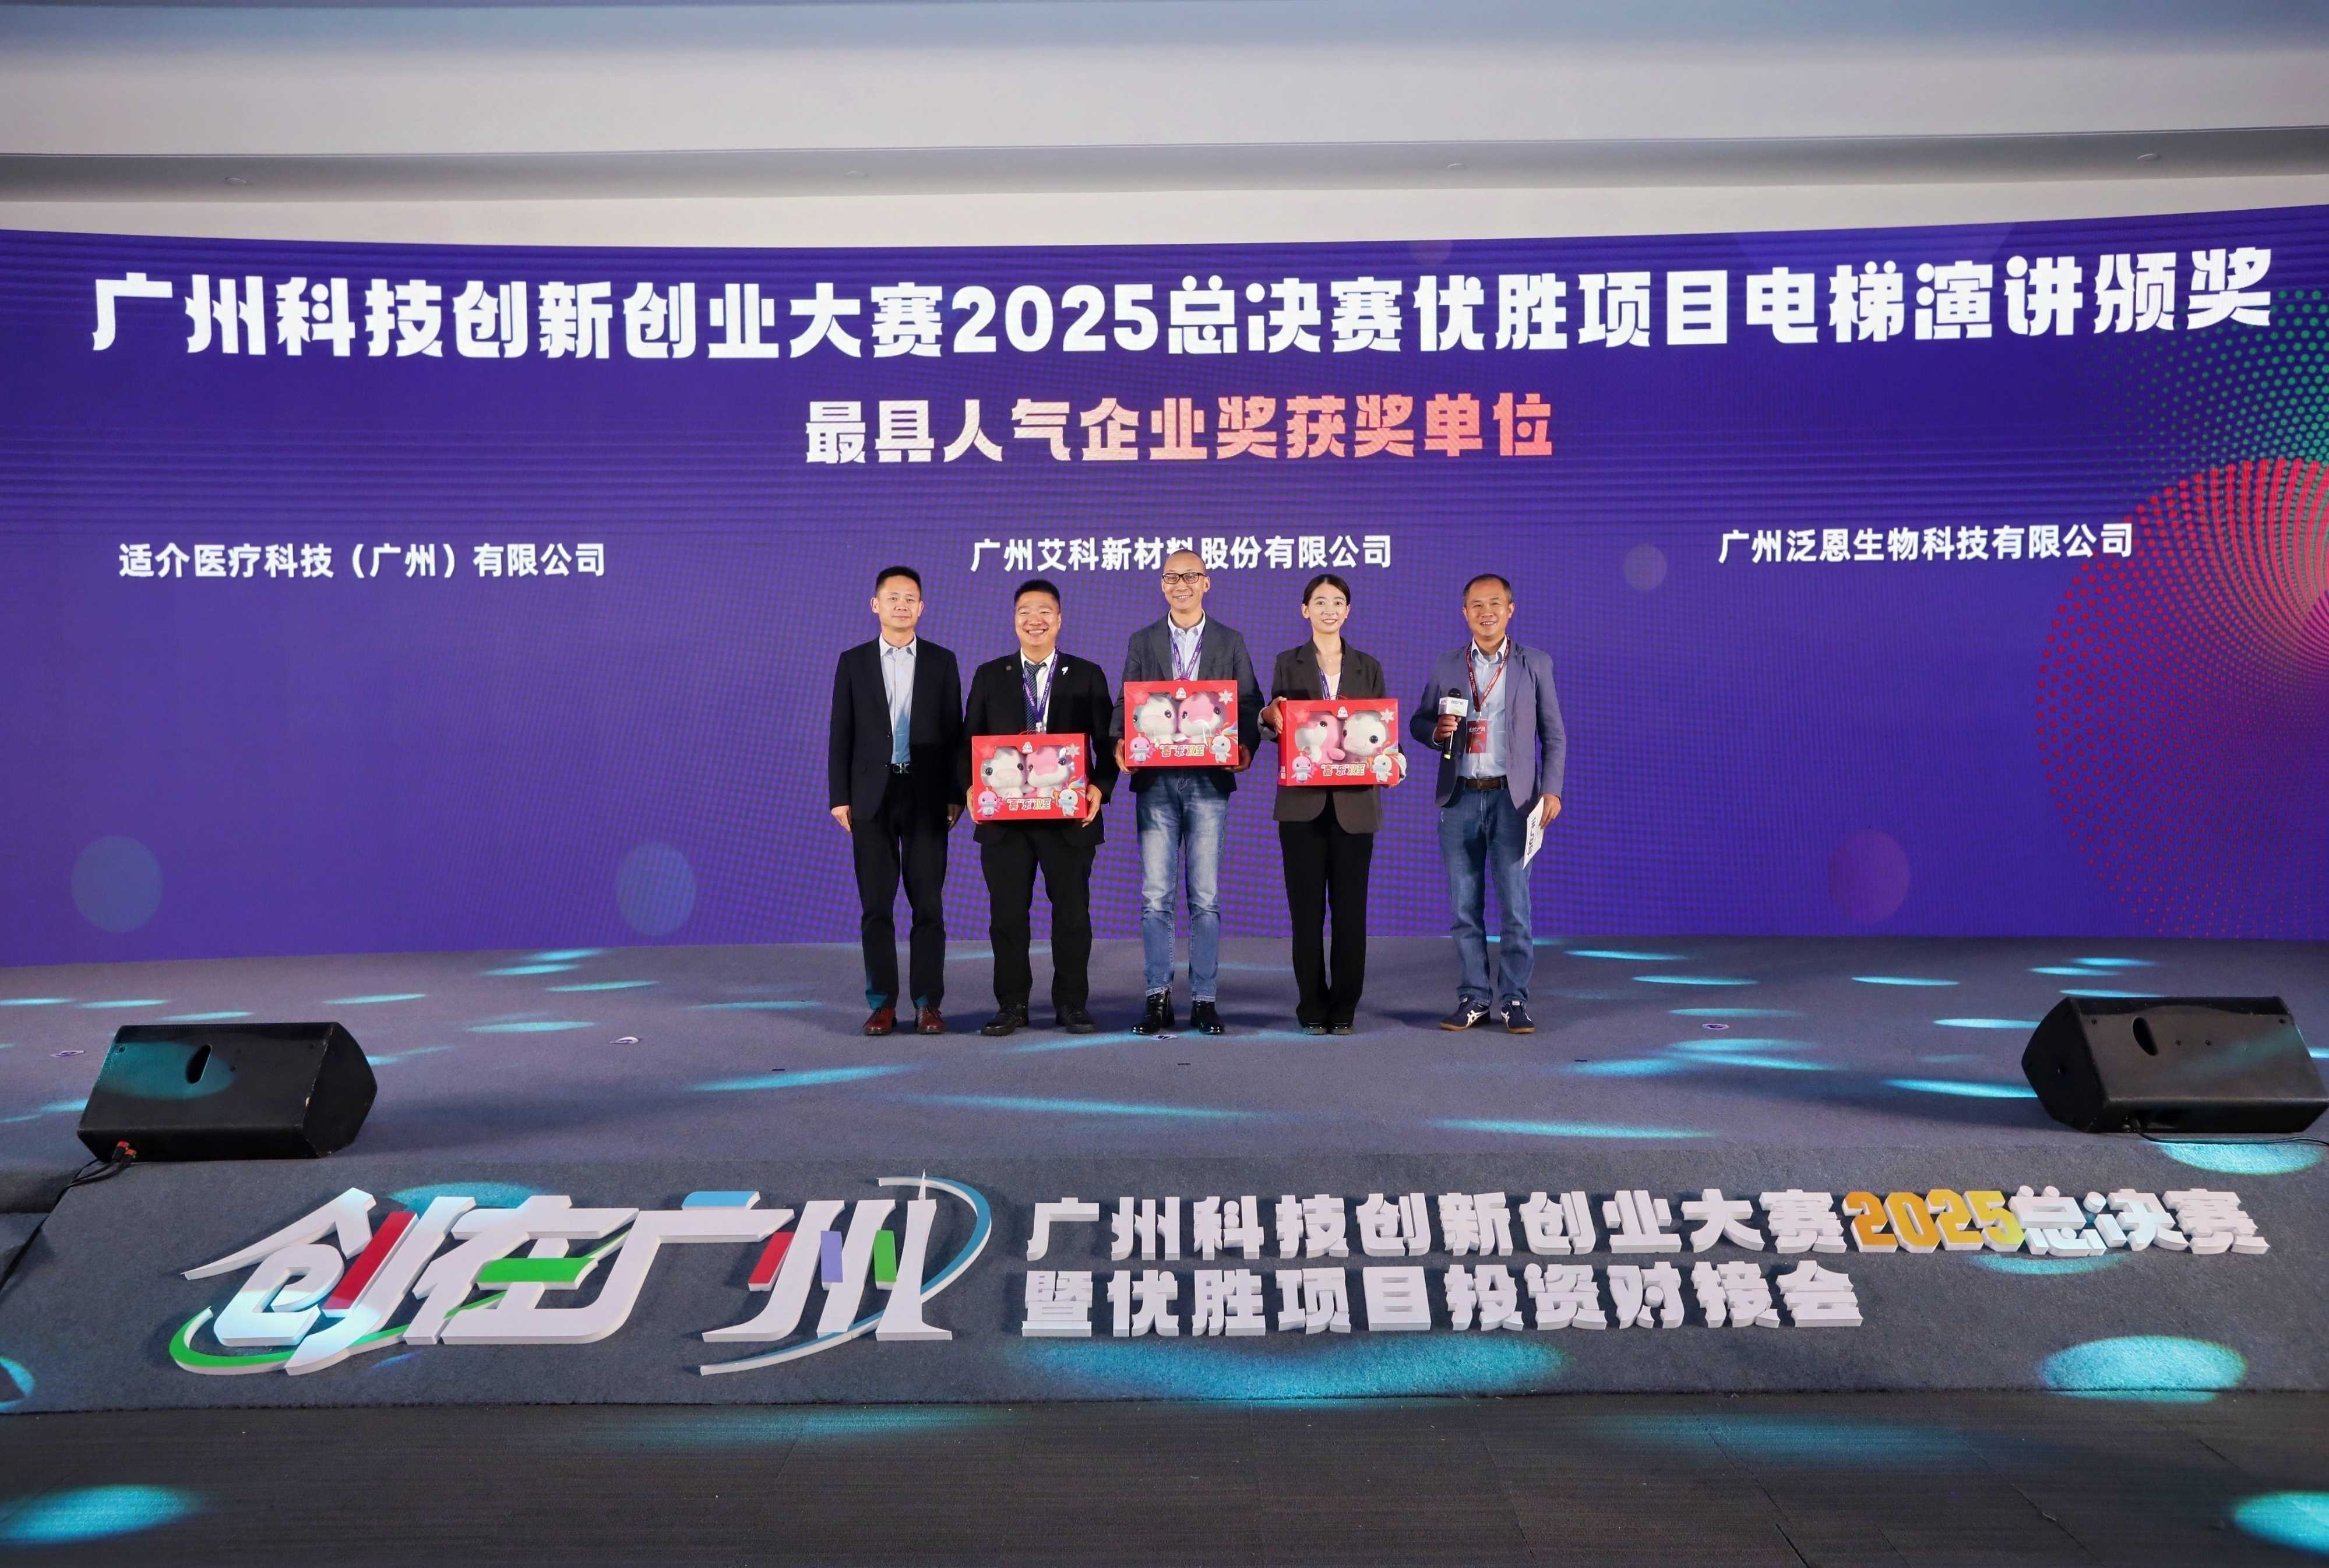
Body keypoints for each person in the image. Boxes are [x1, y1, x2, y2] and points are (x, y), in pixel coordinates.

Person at [1112, 548, 1263, 1036]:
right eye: (1172, 577)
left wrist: (1245, 744)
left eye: (1191, 576)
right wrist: (1120, 742)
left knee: (1206, 897)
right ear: (1162, 585)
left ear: (1206, 582)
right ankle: (1157, 997)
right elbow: (1125, 702)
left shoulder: (1229, 640)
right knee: (1155, 896)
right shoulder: (1142, 640)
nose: (1181, 584)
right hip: (1155, 781)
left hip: (1208, 780)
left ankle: (1204, 999)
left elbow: (1249, 702)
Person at [1410, 573, 1566, 1034]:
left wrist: (1552, 789)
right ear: (1464, 613)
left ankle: (1514, 999)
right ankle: (1474, 997)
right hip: (1459, 796)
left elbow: (1553, 734)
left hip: (1513, 801)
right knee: (1464, 907)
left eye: (1495, 603)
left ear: (1510, 609)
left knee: (1516, 907)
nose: (1486, 612)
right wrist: (1434, 732)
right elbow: (1420, 721)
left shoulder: (1534, 663)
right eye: (1476, 605)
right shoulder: (1446, 664)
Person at [961, 579, 1118, 1037]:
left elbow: (1108, 742)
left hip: (1068, 816)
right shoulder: (990, 675)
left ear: (1059, 619)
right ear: (1014, 620)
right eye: (1025, 611)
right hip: (1005, 820)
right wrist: (969, 787)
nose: (1035, 620)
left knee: (1072, 916)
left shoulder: (1086, 674)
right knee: (1007, 916)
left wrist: (1100, 788)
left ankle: (1072, 1004)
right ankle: (1011, 1004)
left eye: (1045, 611)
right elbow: (968, 740)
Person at [1260, 573, 1401, 1034]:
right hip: (1300, 807)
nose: (1328, 609)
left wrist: (1394, 760)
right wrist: (1269, 717)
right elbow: (1273, 725)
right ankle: (1310, 1006)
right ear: (1305, 610)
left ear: (1347, 611)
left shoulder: (1368, 666)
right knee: (1305, 915)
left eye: (1337, 602)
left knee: (1349, 914)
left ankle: (1344, 1007)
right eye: (1319, 601)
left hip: (1355, 806)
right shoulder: (1288, 663)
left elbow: (1381, 732)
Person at [827, 565, 964, 1037]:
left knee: (928, 904)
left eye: (910, 599)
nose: (901, 605)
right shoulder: (854, 662)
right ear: (876, 605)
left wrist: (955, 793)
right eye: (893, 598)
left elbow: (954, 732)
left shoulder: (942, 661)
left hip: (927, 796)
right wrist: (839, 796)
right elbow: (841, 731)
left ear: (921, 607)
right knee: (876, 905)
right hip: (871, 796)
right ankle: (882, 1003)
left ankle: (928, 1003)